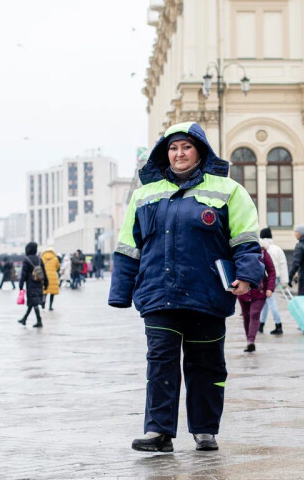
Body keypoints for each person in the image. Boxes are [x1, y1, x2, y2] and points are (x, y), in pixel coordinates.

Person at [108, 122, 262, 453]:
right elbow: (127, 246)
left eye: (186, 147)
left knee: (206, 364)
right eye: (173, 148)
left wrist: (247, 275)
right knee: (160, 362)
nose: (179, 154)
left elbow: (247, 240)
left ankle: (205, 430)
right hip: (158, 295)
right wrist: (120, 292)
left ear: (200, 151)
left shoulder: (228, 190)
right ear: (165, 154)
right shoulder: (143, 194)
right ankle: (158, 431)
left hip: (206, 294)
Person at [238, 245, 276, 353]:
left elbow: (271, 271)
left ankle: (251, 341)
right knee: (246, 316)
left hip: (259, 291)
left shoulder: (263, 253)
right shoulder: (239, 251)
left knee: (254, 314)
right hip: (243, 292)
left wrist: (270, 288)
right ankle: (249, 341)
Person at [258, 227, 289, 335]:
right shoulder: (277, 248)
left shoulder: (262, 249)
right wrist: (285, 281)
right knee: (266, 302)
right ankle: (261, 325)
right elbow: (283, 264)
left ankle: (278, 325)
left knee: (270, 301)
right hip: (276, 278)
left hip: (266, 279)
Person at [18, 242, 48, 327]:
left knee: (34, 303)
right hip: (39, 284)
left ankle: (39, 321)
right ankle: (24, 319)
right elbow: (44, 273)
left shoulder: (26, 260)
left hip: (30, 284)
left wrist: (21, 285)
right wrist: (46, 283)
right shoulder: (39, 259)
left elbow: (23, 273)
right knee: (32, 302)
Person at [41, 247, 60, 311]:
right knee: (52, 292)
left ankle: (43, 302)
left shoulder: (42, 258)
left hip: (44, 276)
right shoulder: (55, 258)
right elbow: (57, 267)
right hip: (53, 277)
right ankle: (50, 306)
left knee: (45, 291)